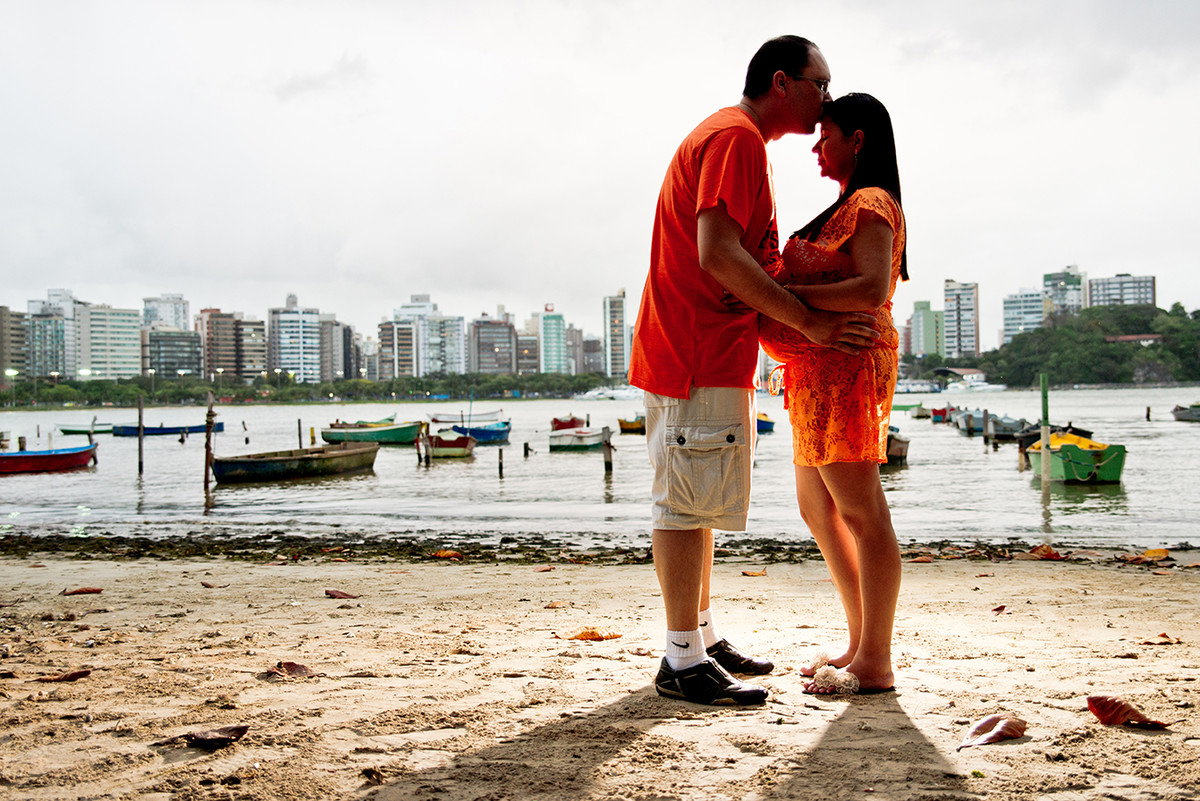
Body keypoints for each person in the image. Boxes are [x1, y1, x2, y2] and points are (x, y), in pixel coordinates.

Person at [628, 36, 879, 706]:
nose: (826, 97)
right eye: (819, 84)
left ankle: (701, 637)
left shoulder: (736, 140)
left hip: (703, 349)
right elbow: (718, 254)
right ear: (781, 82)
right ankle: (682, 658)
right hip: (693, 350)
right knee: (684, 502)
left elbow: (736, 254)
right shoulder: (735, 138)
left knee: (699, 494)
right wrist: (809, 321)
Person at [759, 92, 908, 695]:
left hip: (848, 366)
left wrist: (790, 303)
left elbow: (872, 286)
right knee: (817, 508)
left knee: (862, 512)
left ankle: (877, 659)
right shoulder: (843, 207)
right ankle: (857, 640)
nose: (816, 147)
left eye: (825, 135)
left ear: (859, 139)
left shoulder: (871, 203)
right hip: (816, 373)